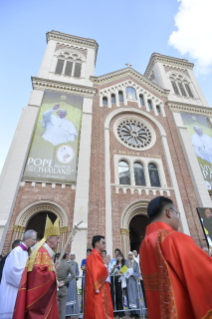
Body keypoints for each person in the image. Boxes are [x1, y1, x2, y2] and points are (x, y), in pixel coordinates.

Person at [140, 196, 212, 319]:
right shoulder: (172, 238)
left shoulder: (144, 245)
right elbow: (205, 274)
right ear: (168, 212)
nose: (177, 218)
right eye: (176, 213)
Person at [12, 216, 61, 319]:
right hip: (37, 302)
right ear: (49, 238)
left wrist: (53, 269)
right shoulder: (41, 251)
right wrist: (54, 274)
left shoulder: (44, 251)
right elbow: (37, 275)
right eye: (57, 238)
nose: (58, 241)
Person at [0, 230, 37, 319]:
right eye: (33, 239)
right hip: (12, 290)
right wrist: (29, 274)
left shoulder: (25, 253)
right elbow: (12, 271)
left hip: (19, 290)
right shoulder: (16, 251)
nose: (34, 242)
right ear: (27, 239)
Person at [84, 235, 113, 319]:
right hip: (97, 292)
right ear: (96, 243)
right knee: (98, 312)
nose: (105, 245)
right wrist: (106, 265)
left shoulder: (97, 256)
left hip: (100, 288)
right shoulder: (93, 256)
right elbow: (98, 273)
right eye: (103, 243)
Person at [57, 253, 75, 319]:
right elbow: (73, 275)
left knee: (53, 308)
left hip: (56, 287)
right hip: (64, 287)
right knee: (63, 309)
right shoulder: (67, 265)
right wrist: (65, 281)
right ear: (66, 257)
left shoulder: (56, 264)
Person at [125, 252, 140, 318]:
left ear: (133, 256)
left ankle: (136, 312)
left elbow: (137, 272)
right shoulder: (126, 263)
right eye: (129, 255)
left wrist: (133, 274)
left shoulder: (136, 263)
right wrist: (127, 274)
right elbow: (123, 271)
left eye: (131, 255)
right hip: (128, 282)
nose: (130, 256)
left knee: (135, 296)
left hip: (134, 282)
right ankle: (131, 312)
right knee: (129, 296)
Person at [111, 252, 126, 318]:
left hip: (121, 281)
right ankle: (115, 311)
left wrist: (121, 272)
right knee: (115, 296)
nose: (119, 258)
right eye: (118, 256)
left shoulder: (124, 264)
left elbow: (125, 271)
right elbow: (111, 271)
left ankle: (121, 312)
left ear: (122, 257)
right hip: (115, 280)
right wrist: (114, 269)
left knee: (120, 296)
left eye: (120, 256)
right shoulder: (114, 263)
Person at [66, 252, 79, 317]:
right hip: (68, 281)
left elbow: (77, 272)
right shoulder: (67, 263)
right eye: (71, 255)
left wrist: (75, 278)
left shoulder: (76, 264)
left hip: (73, 282)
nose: (72, 257)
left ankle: (74, 310)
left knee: (73, 295)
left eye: (73, 255)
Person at [80, 248, 92, 318]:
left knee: (90, 297)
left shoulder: (93, 260)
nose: (88, 254)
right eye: (87, 253)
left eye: (90, 253)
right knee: (83, 297)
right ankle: (82, 312)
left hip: (91, 281)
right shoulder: (84, 260)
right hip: (84, 280)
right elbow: (82, 268)